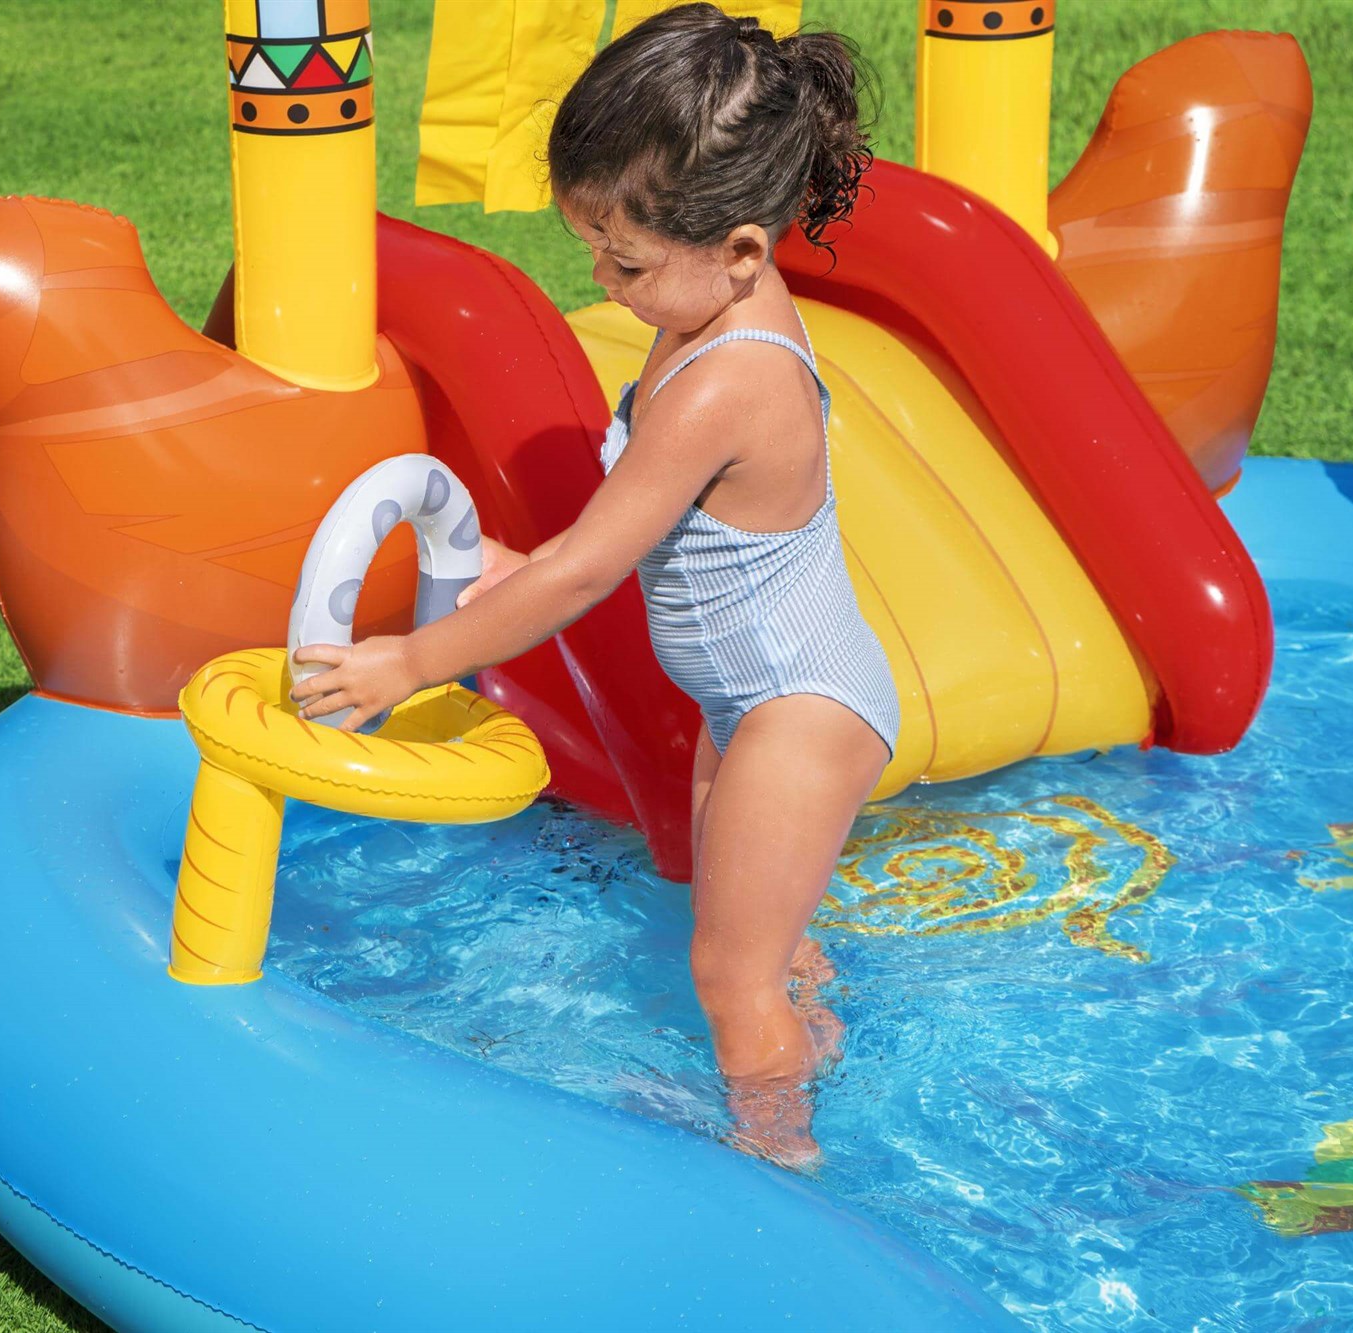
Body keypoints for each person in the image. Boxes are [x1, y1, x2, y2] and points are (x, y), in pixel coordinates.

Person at [290, 2, 896, 1167]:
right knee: (762, 945)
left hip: (798, 710)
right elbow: (643, 535)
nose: (600, 280)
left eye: (620, 259)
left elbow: (584, 571)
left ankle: (783, 1168)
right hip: (752, 705)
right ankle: (816, 1050)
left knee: (725, 974)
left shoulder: (732, 379)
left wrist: (407, 663)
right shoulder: (700, 313)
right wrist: (509, 567)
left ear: (739, 252)